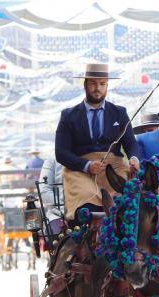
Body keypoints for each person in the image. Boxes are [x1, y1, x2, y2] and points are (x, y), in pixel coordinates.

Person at [55, 63, 141, 219]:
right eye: (93, 83)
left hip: (113, 167)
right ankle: (88, 239)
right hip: (79, 169)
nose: (98, 88)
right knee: (87, 205)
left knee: (128, 197)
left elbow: (131, 144)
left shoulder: (120, 113)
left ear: (107, 85)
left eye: (102, 84)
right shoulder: (68, 116)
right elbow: (61, 153)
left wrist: (134, 159)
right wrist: (87, 166)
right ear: (85, 85)